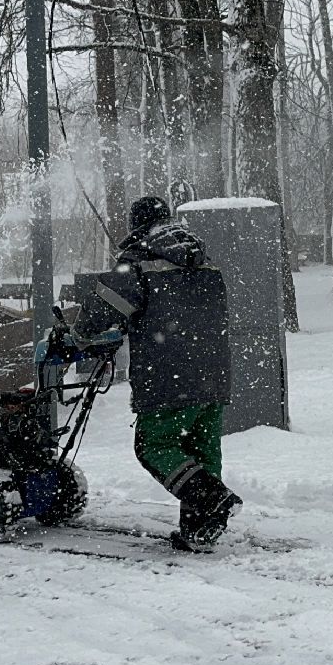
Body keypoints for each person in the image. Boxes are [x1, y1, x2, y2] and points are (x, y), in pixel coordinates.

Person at [73, 196, 241, 551]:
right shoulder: (205, 260)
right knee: (202, 452)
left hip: (168, 377)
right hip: (214, 373)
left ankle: (213, 498)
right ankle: (199, 532)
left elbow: (101, 310)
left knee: (154, 446)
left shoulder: (138, 262)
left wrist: (80, 334)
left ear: (137, 224)